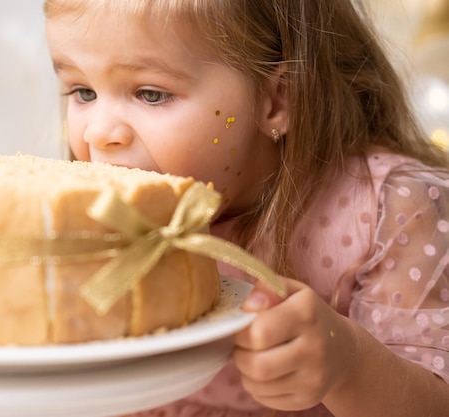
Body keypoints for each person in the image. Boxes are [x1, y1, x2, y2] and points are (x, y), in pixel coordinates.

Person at [42, 1, 449, 416]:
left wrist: (349, 365)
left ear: (276, 99)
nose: (98, 133)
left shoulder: (390, 207)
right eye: (83, 92)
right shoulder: (97, 218)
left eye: (151, 94)